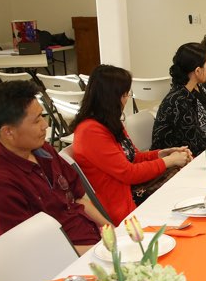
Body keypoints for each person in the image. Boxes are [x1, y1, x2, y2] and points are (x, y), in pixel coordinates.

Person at [0, 81, 109, 254]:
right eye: (36, 121)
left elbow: (78, 199)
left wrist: (113, 231)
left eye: (42, 116)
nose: (45, 125)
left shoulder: (43, 150)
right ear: (8, 132)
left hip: (92, 241)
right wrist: (99, 252)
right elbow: (29, 251)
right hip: (64, 260)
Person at [70, 65, 193, 225]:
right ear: (111, 97)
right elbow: (129, 173)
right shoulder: (90, 131)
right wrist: (169, 161)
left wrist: (161, 154)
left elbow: (133, 157)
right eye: (124, 94)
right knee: (183, 188)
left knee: (185, 181)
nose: (126, 98)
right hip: (122, 202)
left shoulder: (108, 122)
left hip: (129, 191)